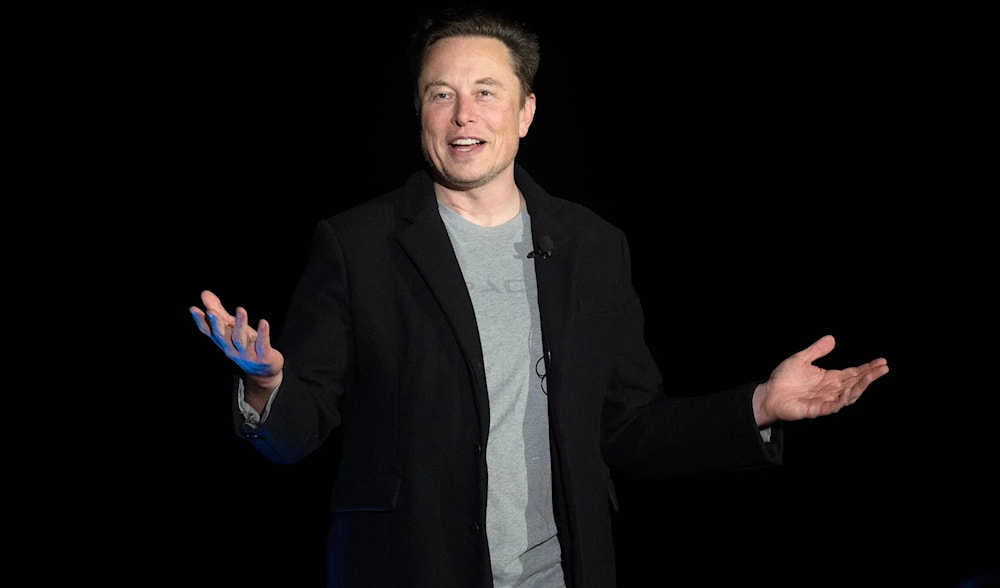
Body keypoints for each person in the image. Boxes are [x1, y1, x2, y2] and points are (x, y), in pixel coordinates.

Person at [189, 6, 890, 587]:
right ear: (420, 111)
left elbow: (629, 427)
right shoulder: (358, 245)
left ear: (525, 112)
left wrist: (758, 406)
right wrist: (267, 386)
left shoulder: (592, 245)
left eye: (487, 92)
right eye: (441, 93)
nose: (464, 114)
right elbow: (296, 432)